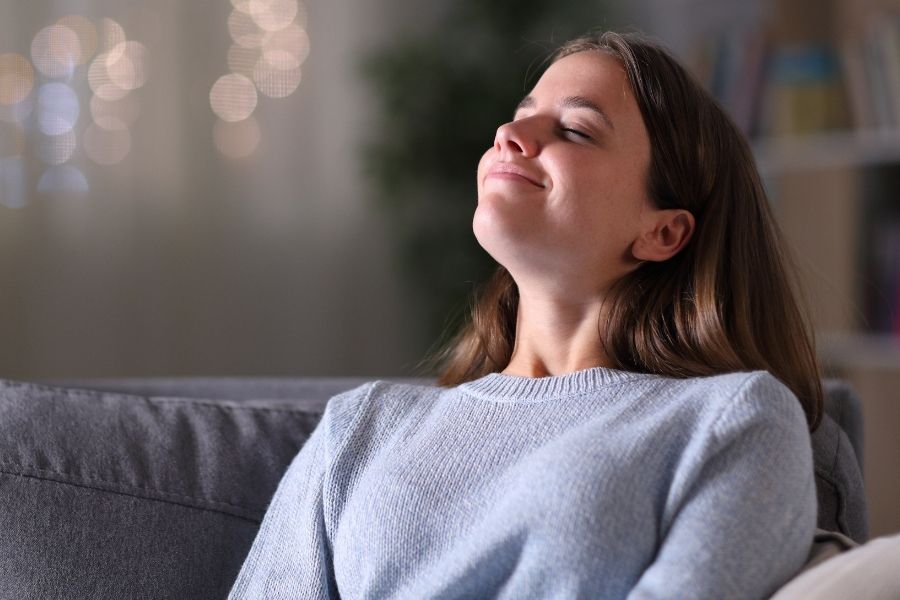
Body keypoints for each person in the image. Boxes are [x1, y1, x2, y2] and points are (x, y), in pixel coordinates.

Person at [228, 30, 822, 599]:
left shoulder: (734, 421)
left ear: (663, 232)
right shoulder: (361, 426)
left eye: (576, 130)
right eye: (521, 113)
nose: (508, 133)